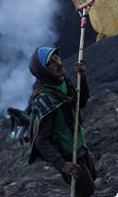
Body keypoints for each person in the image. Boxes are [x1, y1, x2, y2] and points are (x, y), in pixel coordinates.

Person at [27, 47, 96, 197]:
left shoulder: (63, 82)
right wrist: (62, 164)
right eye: (51, 63)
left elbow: (80, 103)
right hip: (67, 153)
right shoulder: (44, 100)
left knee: (92, 176)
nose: (59, 63)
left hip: (79, 144)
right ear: (42, 71)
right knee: (85, 190)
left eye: (57, 58)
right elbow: (41, 140)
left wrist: (82, 78)